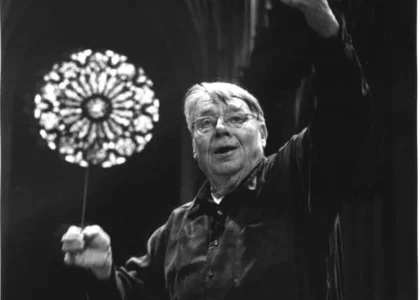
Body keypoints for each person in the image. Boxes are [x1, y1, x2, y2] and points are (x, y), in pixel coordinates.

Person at [61, 0, 371, 299]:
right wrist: (103, 272)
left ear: (262, 133)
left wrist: (327, 28)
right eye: (205, 123)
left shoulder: (299, 175)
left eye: (236, 118)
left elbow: (341, 114)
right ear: (195, 147)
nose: (221, 128)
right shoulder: (177, 227)